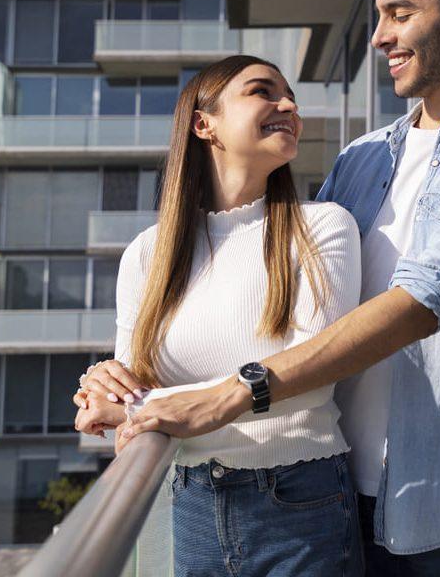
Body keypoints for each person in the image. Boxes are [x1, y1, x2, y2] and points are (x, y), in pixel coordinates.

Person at [116, 0, 440, 576]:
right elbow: (277, 306)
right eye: (379, 16)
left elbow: (424, 299)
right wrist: (124, 375)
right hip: (327, 503)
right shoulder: (361, 159)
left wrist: (229, 395)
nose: (380, 37)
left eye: (401, 14)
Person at [72, 55, 363, 576]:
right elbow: (131, 391)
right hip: (193, 499)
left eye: (290, 96)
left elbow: (314, 375)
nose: (289, 105)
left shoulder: (322, 227)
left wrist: (138, 406)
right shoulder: (148, 254)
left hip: (301, 502)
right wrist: (104, 385)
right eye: (263, 91)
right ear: (204, 124)